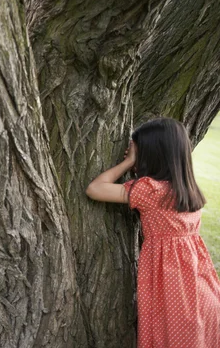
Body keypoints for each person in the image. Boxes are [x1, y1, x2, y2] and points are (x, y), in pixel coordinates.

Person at [86, 117, 220, 348]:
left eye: (138, 152)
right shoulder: (186, 189)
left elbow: (94, 189)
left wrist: (128, 163)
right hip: (201, 291)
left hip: (174, 291)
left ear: (151, 154)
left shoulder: (151, 190)